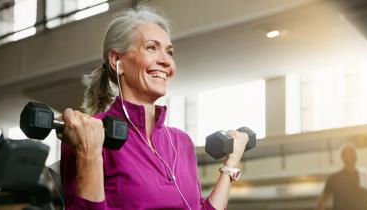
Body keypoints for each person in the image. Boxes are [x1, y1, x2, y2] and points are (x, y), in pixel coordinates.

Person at [58, 5, 249, 210]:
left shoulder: (181, 142)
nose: (166, 61)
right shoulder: (90, 132)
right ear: (116, 60)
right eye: (151, 47)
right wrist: (89, 154)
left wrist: (231, 163)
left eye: (170, 52)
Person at [316, 144, 367, 210]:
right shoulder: (335, 178)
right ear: (342, 157)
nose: (353, 154)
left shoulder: (364, 176)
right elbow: (321, 201)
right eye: (350, 152)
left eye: (354, 152)